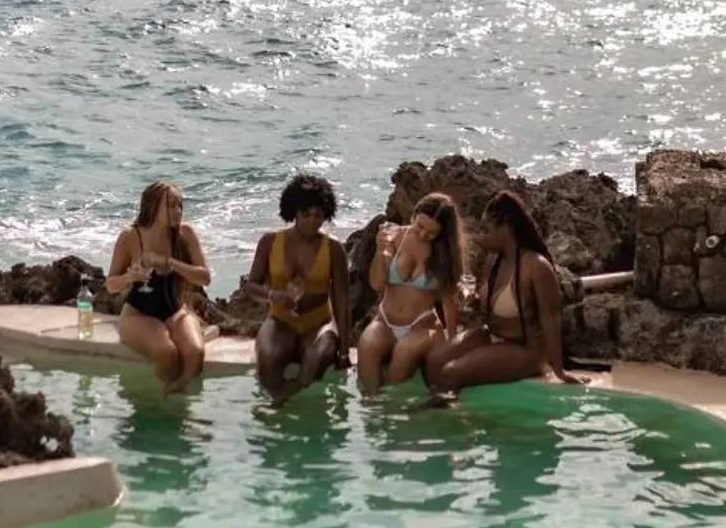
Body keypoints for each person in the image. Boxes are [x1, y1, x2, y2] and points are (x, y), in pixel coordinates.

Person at [424, 189, 573, 394]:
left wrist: (559, 370)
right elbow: (488, 308)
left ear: (505, 229)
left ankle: (447, 420)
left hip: (526, 350)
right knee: (433, 361)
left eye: (487, 229)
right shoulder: (493, 261)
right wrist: (471, 301)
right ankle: (446, 408)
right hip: (491, 335)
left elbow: (551, 319)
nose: (481, 237)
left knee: (451, 372)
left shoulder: (536, 267)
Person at [244, 173, 352, 404]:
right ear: (293, 212)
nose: (312, 221)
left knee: (316, 359)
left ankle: (281, 401)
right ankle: (282, 400)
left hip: (319, 323)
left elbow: (342, 299)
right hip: (280, 320)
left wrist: (344, 349)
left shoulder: (334, 249)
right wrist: (273, 296)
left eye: (318, 215)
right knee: (268, 359)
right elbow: (251, 286)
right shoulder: (270, 242)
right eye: (306, 214)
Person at [105, 180, 211, 389]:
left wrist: (168, 262)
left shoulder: (185, 234)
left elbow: (204, 277)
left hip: (176, 311)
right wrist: (130, 278)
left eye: (180, 205)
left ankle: (174, 400)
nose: (178, 211)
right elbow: (111, 285)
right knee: (167, 353)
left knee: (195, 354)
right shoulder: (130, 236)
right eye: (171, 205)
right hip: (138, 314)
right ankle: (158, 405)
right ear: (153, 207)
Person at [356, 192, 465, 389]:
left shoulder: (444, 253)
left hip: (422, 325)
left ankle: (391, 408)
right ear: (413, 215)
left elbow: (449, 301)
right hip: (385, 321)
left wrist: (451, 341)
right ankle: (371, 411)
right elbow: (377, 284)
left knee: (404, 352)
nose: (423, 235)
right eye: (419, 226)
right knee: (366, 347)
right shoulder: (393, 237)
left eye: (431, 233)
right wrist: (380, 252)